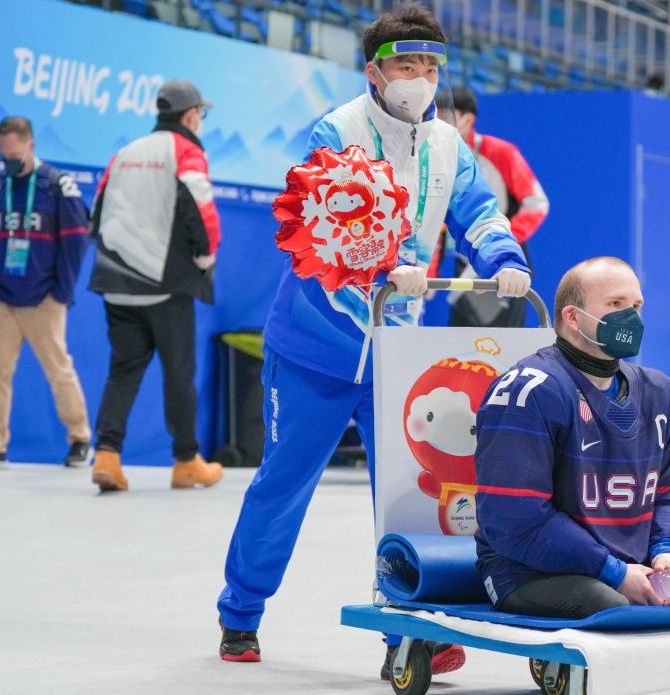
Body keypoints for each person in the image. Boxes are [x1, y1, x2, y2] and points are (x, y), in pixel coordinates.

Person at [216, 6, 531, 673]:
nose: (420, 78)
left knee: (410, 498)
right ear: (375, 72)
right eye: (406, 65)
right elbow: (325, 228)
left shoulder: (448, 145)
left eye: (430, 66)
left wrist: (504, 258)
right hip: (316, 348)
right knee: (283, 485)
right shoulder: (337, 131)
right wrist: (385, 268)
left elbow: (478, 210)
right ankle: (240, 612)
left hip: (398, 354)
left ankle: (409, 631)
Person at [474, 257, 670, 617]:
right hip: (528, 573)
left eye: (636, 306)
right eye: (616, 304)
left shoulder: (659, 393)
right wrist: (614, 572)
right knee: (613, 608)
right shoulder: (530, 390)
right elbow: (515, 519)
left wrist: (666, 551)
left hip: (631, 569)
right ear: (573, 318)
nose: (630, 317)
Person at [87, 78, 222, 492]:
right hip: (164, 284)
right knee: (178, 374)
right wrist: (205, 258)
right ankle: (186, 461)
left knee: (122, 371)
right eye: (201, 113)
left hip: (115, 280)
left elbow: (97, 212)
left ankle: (106, 455)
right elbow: (201, 210)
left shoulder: (124, 152)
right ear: (191, 114)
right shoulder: (186, 151)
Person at [0, 116, 92, 469]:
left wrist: (61, 292)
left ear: (31, 145)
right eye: (2, 156)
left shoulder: (57, 185)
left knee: (58, 370)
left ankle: (80, 439)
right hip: (2, 296)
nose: (8, 163)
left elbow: (76, 242)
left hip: (44, 298)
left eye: (14, 155)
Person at [435, 87, 549, 328]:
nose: (439, 122)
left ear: (468, 120)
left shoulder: (501, 152)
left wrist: (502, 241)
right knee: (459, 344)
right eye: (436, 115)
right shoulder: (436, 155)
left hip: (503, 264)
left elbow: (536, 204)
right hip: (464, 262)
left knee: (502, 343)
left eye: (445, 116)